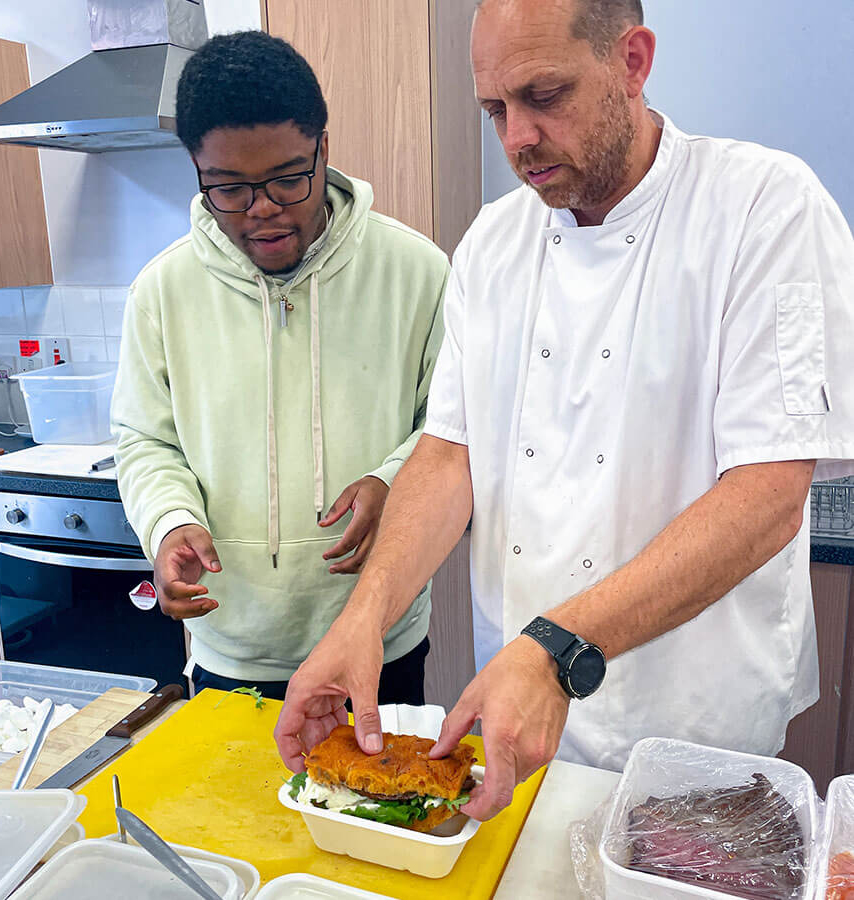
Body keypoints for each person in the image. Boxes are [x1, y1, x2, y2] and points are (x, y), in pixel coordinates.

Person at [275, 0, 854, 818]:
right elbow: (451, 454)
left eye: (544, 96)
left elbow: (768, 496)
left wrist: (555, 647)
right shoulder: (492, 244)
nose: (516, 138)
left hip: (696, 738)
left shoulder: (766, 209)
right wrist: (364, 617)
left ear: (633, 60)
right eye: (494, 110)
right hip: (518, 723)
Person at [111, 31, 448, 702]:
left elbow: (452, 429)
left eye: (288, 179)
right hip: (230, 650)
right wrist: (168, 519)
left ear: (324, 150)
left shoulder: (418, 271)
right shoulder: (162, 290)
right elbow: (146, 440)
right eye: (229, 188)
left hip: (377, 640)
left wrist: (392, 481)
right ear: (197, 171)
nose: (262, 209)